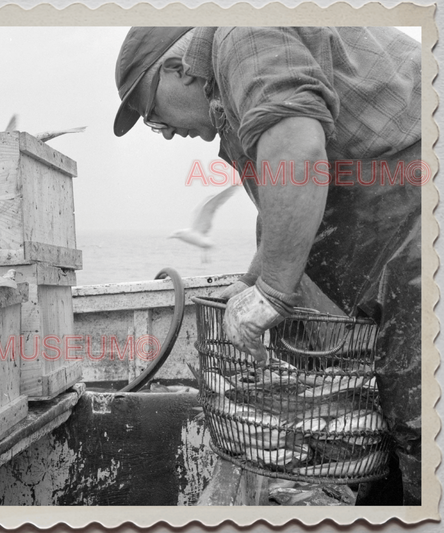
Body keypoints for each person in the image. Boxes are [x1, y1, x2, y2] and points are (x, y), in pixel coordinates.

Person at [113, 26, 423, 505]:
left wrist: (273, 291)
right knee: (390, 413)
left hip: (421, 208)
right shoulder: (234, 92)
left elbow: (298, 147)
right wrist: (252, 280)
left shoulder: (244, 34)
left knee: (422, 413)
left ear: (177, 68)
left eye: (154, 116)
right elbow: (283, 205)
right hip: (392, 236)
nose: (168, 132)